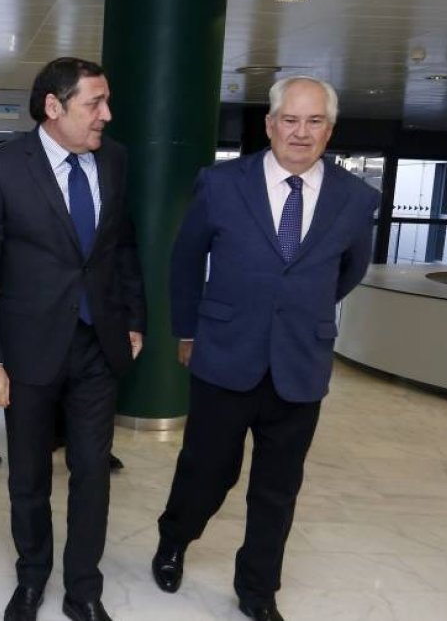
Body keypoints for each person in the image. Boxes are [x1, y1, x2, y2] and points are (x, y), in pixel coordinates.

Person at [151, 76, 379, 621]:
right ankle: (174, 539)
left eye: (314, 121)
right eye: (291, 120)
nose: (301, 133)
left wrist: (302, 313)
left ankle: (258, 590)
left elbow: (348, 272)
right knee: (207, 472)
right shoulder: (222, 183)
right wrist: (187, 330)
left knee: (277, 490)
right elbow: (185, 263)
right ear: (270, 124)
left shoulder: (355, 199)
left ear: (330, 129)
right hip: (224, 355)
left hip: (300, 364)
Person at [0, 56, 146, 621]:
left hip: (97, 346)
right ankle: (31, 577)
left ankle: (83, 589)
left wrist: (134, 319)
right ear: (53, 106)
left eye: (106, 101)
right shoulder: (2, 168)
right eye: (94, 103)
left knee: (93, 471)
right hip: (27, 351)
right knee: (29, 477)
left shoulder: (114, 160)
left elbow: (124, 248)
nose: (106, 115)